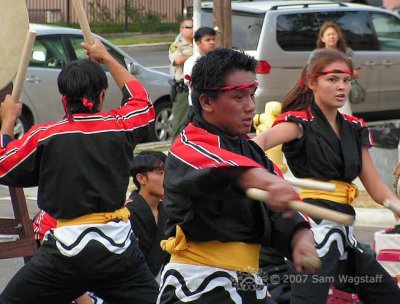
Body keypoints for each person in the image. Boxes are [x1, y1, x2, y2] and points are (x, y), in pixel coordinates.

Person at [0, 39, 158, 303]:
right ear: (102, 96)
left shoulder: (45, 135)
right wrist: (107, 57)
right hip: (117, 250)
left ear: (64, 99)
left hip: (64, 252)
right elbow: (141, 102)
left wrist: (7, 122)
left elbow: (4, 162)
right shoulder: (119, 127)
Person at [157, 47, 318, 304]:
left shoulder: (251, 151)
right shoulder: (187, 146)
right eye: (239, 97)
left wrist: (301, 238)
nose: (251, 106)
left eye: (252, 95)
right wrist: (261, 180)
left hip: (247, 280)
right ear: (206, 101)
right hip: (198, 286)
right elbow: (226, 169)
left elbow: (284, 205)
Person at [253, 48, 400, 304]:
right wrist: (236, 158)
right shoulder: (299, 122)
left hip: (343, 226)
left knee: (388, 294)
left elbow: (376, 187)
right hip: (313, 225)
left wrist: (396, 206)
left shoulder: (355, 128)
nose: (341, 87)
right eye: (332, 80)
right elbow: (261, 141)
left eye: (346, 80)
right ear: (311, 82)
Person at [125, 150, 169, 277]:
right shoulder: (128, 213)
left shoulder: (167, 211)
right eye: (161, 173)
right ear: (141, 178)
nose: (167, 178)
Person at [314, 21, 361, 114]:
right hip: (324, 93)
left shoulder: (347, 53)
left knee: (344, 120)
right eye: (328, 34)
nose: (331, 37)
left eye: (333, 34)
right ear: (322, 38)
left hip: (341, 93)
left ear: (338, 36)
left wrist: (346, 68)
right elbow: (312, 75)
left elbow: (357, 74)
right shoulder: (317, 55)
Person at [168, 17, 193, 140]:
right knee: (180, 123)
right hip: (183, 89)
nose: (192, 29)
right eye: (189, 27)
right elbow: (177, 60)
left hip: (197, 87)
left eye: (194, 26)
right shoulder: (177, 46)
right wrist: (194, 54)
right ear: (181, 30)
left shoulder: (199, 44)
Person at [183, 26, 216, 117]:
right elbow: (192, 85)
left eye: (213, 39)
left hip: (215, 106)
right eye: (208, 40)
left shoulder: (218, 61)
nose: (212, 42)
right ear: (198, 43)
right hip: (198, 106)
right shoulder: (191, 62)